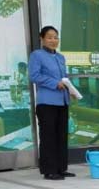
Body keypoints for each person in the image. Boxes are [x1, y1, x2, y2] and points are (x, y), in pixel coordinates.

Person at [28, 26, 76, 180]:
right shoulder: (37, 55)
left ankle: (61, 168)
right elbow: (34, 76)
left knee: (61, 136)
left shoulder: (61, 57)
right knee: (48, 137)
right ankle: (49, 170)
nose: (53, 40)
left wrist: (71, 90)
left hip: (62, 102)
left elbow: (64, 78)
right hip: (47, 103)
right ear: (42, 39)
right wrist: (55, 83)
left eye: (56, 37)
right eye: (49, 37)